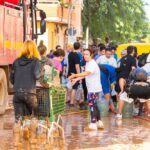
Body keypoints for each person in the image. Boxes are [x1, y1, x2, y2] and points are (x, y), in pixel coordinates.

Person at [69, 49, 104, 130]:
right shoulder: (88, 63)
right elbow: (86, 74)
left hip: (93, 88)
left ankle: (93, 124)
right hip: (93, 87)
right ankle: (99, 123)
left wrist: (75, 75)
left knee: (92, 105)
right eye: (84, 54)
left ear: (91, 55)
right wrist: (76, 79)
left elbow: (87, 73)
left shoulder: (92, 63)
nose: (85, 56)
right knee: (94, 105)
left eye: (87, 54)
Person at [10, 40, 41, 121]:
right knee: (34, 117)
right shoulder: (36, 61)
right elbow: (37, 75)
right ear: (34, 49)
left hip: (17, 94)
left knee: (18, 120)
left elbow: (11, 79)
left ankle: (18, 131)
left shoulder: (16, 61)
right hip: (30, 94)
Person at [115, 46, 137, 119]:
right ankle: (128, 111)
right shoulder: (133, 59)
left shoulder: (121, 59)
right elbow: (133, 70)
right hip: (128, 80)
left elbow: (117, 69)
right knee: (126, 96)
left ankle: (119, 113)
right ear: (133, 51)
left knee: (121, 95)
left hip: (120, 79)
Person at [67, 42, 81, 107]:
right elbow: (77, 66)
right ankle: (71, 102)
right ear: (79, 48)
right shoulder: (77, 56)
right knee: (74, 88)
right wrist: (79, 76)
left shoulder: (70, 54)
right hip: (74, 74)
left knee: (70, 87)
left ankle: (69, 99)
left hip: (70, 72)